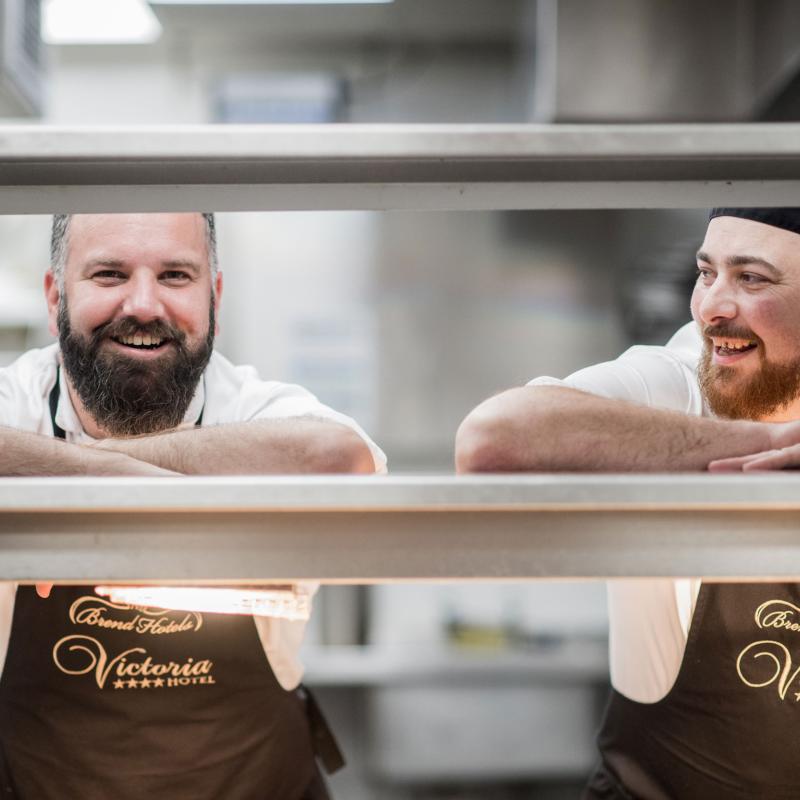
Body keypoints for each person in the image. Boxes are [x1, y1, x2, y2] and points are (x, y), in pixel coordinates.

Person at [0, 212, 386, 800]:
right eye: (108, 274)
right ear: (55, 295)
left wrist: (85, 472)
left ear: (215, 297)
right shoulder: (16, 402)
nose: (145, 305)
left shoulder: (255, 407)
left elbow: (336, 457)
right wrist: (110, 469)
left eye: (176, 275)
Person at [455, 207, 800, 799]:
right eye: (706, 272)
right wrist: (771, 444)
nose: (712, 305)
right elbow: (494, 438)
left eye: (752, 278)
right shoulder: (675, 381)